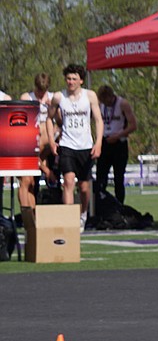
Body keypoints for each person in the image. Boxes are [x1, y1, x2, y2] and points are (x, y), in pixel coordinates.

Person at [45, 64, 103, 230]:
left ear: (81, 80)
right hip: (67, 145)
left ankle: (82, 215)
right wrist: (51, 140)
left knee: (84, 188)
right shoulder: (59, 97)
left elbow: (98, 120)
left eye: (74, 79)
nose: (70, 82)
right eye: (68, 79)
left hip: (85, 146)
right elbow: (49, 118)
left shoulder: (90, 96)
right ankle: (69, 220)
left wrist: (98, 142)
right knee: (68, 181)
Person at [17, 72, 55, 210]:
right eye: (39, 91)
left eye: (43, 91)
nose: (40, 94)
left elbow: (61, 123)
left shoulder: (52, 98)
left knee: (33, 183)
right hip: (28, 144)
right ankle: (26, 214)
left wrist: (53, 109)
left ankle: (33, 215)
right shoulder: (27, 97)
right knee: (26, 181)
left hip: (44, 148)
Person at [95, 85, 138, 204]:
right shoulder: (100, 105)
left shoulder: (122, 104)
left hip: (119, 143)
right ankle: (101, 205)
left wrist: (118, 136)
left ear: (111, 96)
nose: (106, 104)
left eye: (107, 101)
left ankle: (120, 206)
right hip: (105, 142)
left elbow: (133, 125)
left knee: (119, 178)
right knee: (101, 177)